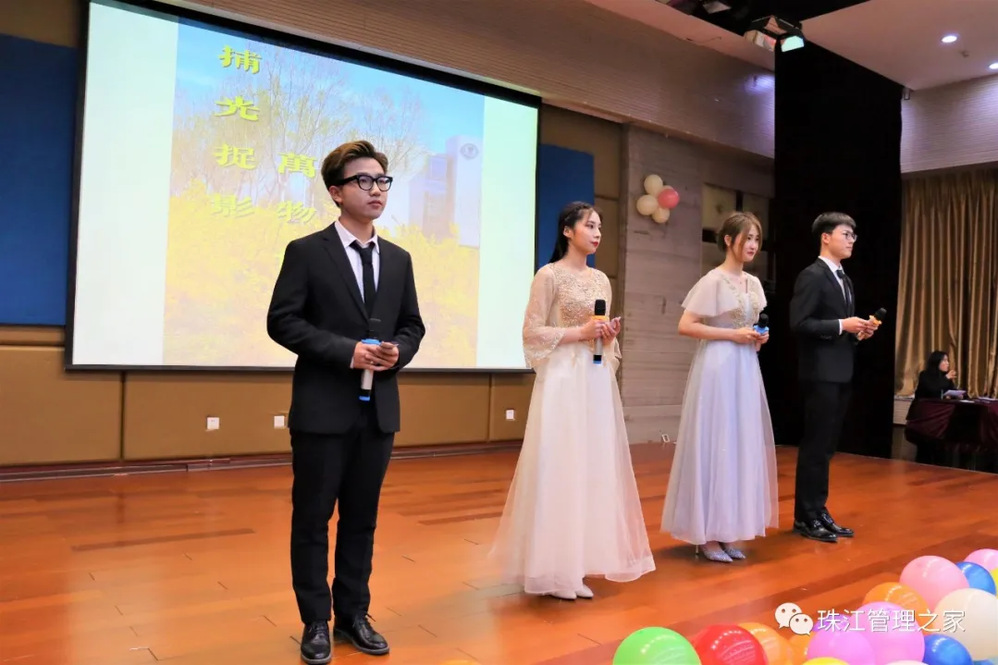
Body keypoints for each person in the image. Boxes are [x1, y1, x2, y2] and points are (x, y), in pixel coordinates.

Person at [267, 140, 425, 663]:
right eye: (363, 180)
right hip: (322, 409)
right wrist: (347, 351)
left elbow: (412, 325)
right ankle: (315, 619)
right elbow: (282, 321)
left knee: (362, 518)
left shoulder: (399, 259)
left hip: (378, 412)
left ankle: (354, 614)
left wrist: (397, 352)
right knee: (313, 518)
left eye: (382, 181)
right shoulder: (307, 251)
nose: (376, 189)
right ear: (336, 192)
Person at [490, 201, 655, 600]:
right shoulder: (549, 275)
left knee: (590, 465)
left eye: (600, 227)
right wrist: (579, 333)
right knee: (559, 464)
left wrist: (606, 334)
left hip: (594, 378)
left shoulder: (601, 280)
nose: (597, 233)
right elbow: (532, 332)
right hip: (563, 377)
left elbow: (600, 334)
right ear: (568, 230)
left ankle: (577, 562)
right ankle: (552, 568)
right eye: (590, 226)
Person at [660, 211, 779, 563]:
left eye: (756, 239)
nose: (753, 245)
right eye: (747, 238)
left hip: (745, 365)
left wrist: (757, 337)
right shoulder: (713, 280)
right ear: (728, 240)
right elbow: (686, 325)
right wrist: (731, 335)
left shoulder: (754, 284)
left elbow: (749, 324)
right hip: (717, 365)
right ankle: (707, 535)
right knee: (716, 441)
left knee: (739, 443)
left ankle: (727, 530)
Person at [788, 211, 878, 544]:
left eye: (854, 235)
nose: (852, 240)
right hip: (820, 374)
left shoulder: (845, 278)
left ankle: (819, 510)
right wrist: (842, 325)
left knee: (827, 448)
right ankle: (805, 516)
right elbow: (800, 323)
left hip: (841, 371)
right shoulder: (812, 275)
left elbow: (837, 329)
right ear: (826, 237)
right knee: (815, 447)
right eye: (846, 234)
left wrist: (857, 332)